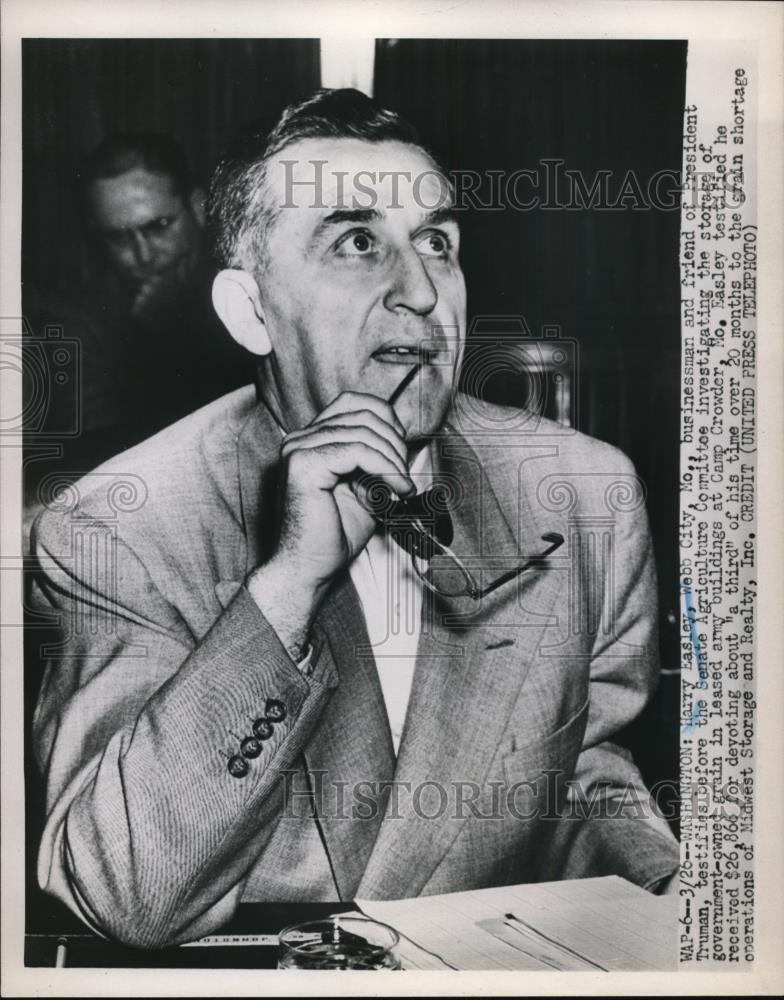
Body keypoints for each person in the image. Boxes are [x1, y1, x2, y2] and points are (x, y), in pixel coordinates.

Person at [29, 89, 678, 949]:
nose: (419, 289)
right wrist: (289, 586)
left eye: (437, 243)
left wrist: (678, 899)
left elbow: (582, 782)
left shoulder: (586, 492)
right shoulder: (121, 525)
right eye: (358, 242)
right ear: (251, 310)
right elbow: (120, 898)